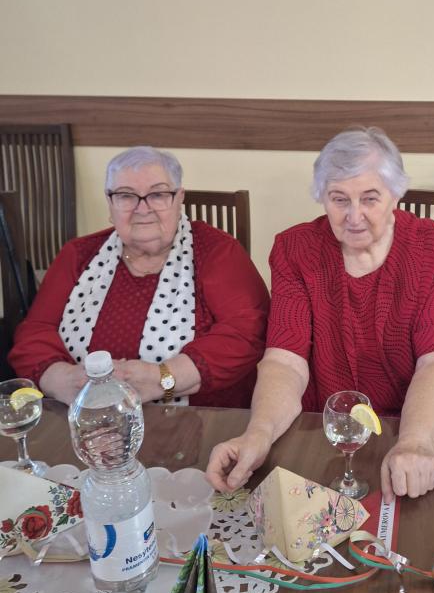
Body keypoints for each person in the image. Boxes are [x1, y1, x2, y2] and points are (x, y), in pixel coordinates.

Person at [206, 127, 434, 501]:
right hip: (327, 425)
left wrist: (414, 442)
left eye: (370, 198)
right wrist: (259, 432)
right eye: (339, 199)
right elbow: (285, 361)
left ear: (396, 194)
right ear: (322, 196)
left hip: (419, 422)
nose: (354, 216)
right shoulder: (294, 249)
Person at [10, 146, 270, 407]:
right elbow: (35, 330)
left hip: (202, 420)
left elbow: (247, 332)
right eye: (126, 196)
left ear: (179, 198)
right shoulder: (78, 254)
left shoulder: (217, 252)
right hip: (87, 416)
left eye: (158, 194)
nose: (142, 208)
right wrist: (61, 378)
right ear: (110, 202)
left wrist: (162, 377)